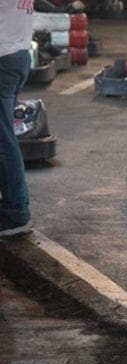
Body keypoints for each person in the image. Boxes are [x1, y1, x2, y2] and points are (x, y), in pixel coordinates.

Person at [0, 0, 34, 237]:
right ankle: (12, 205)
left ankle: (16, 213)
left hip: (3, 58)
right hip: (18, 55)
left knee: (3, 142)